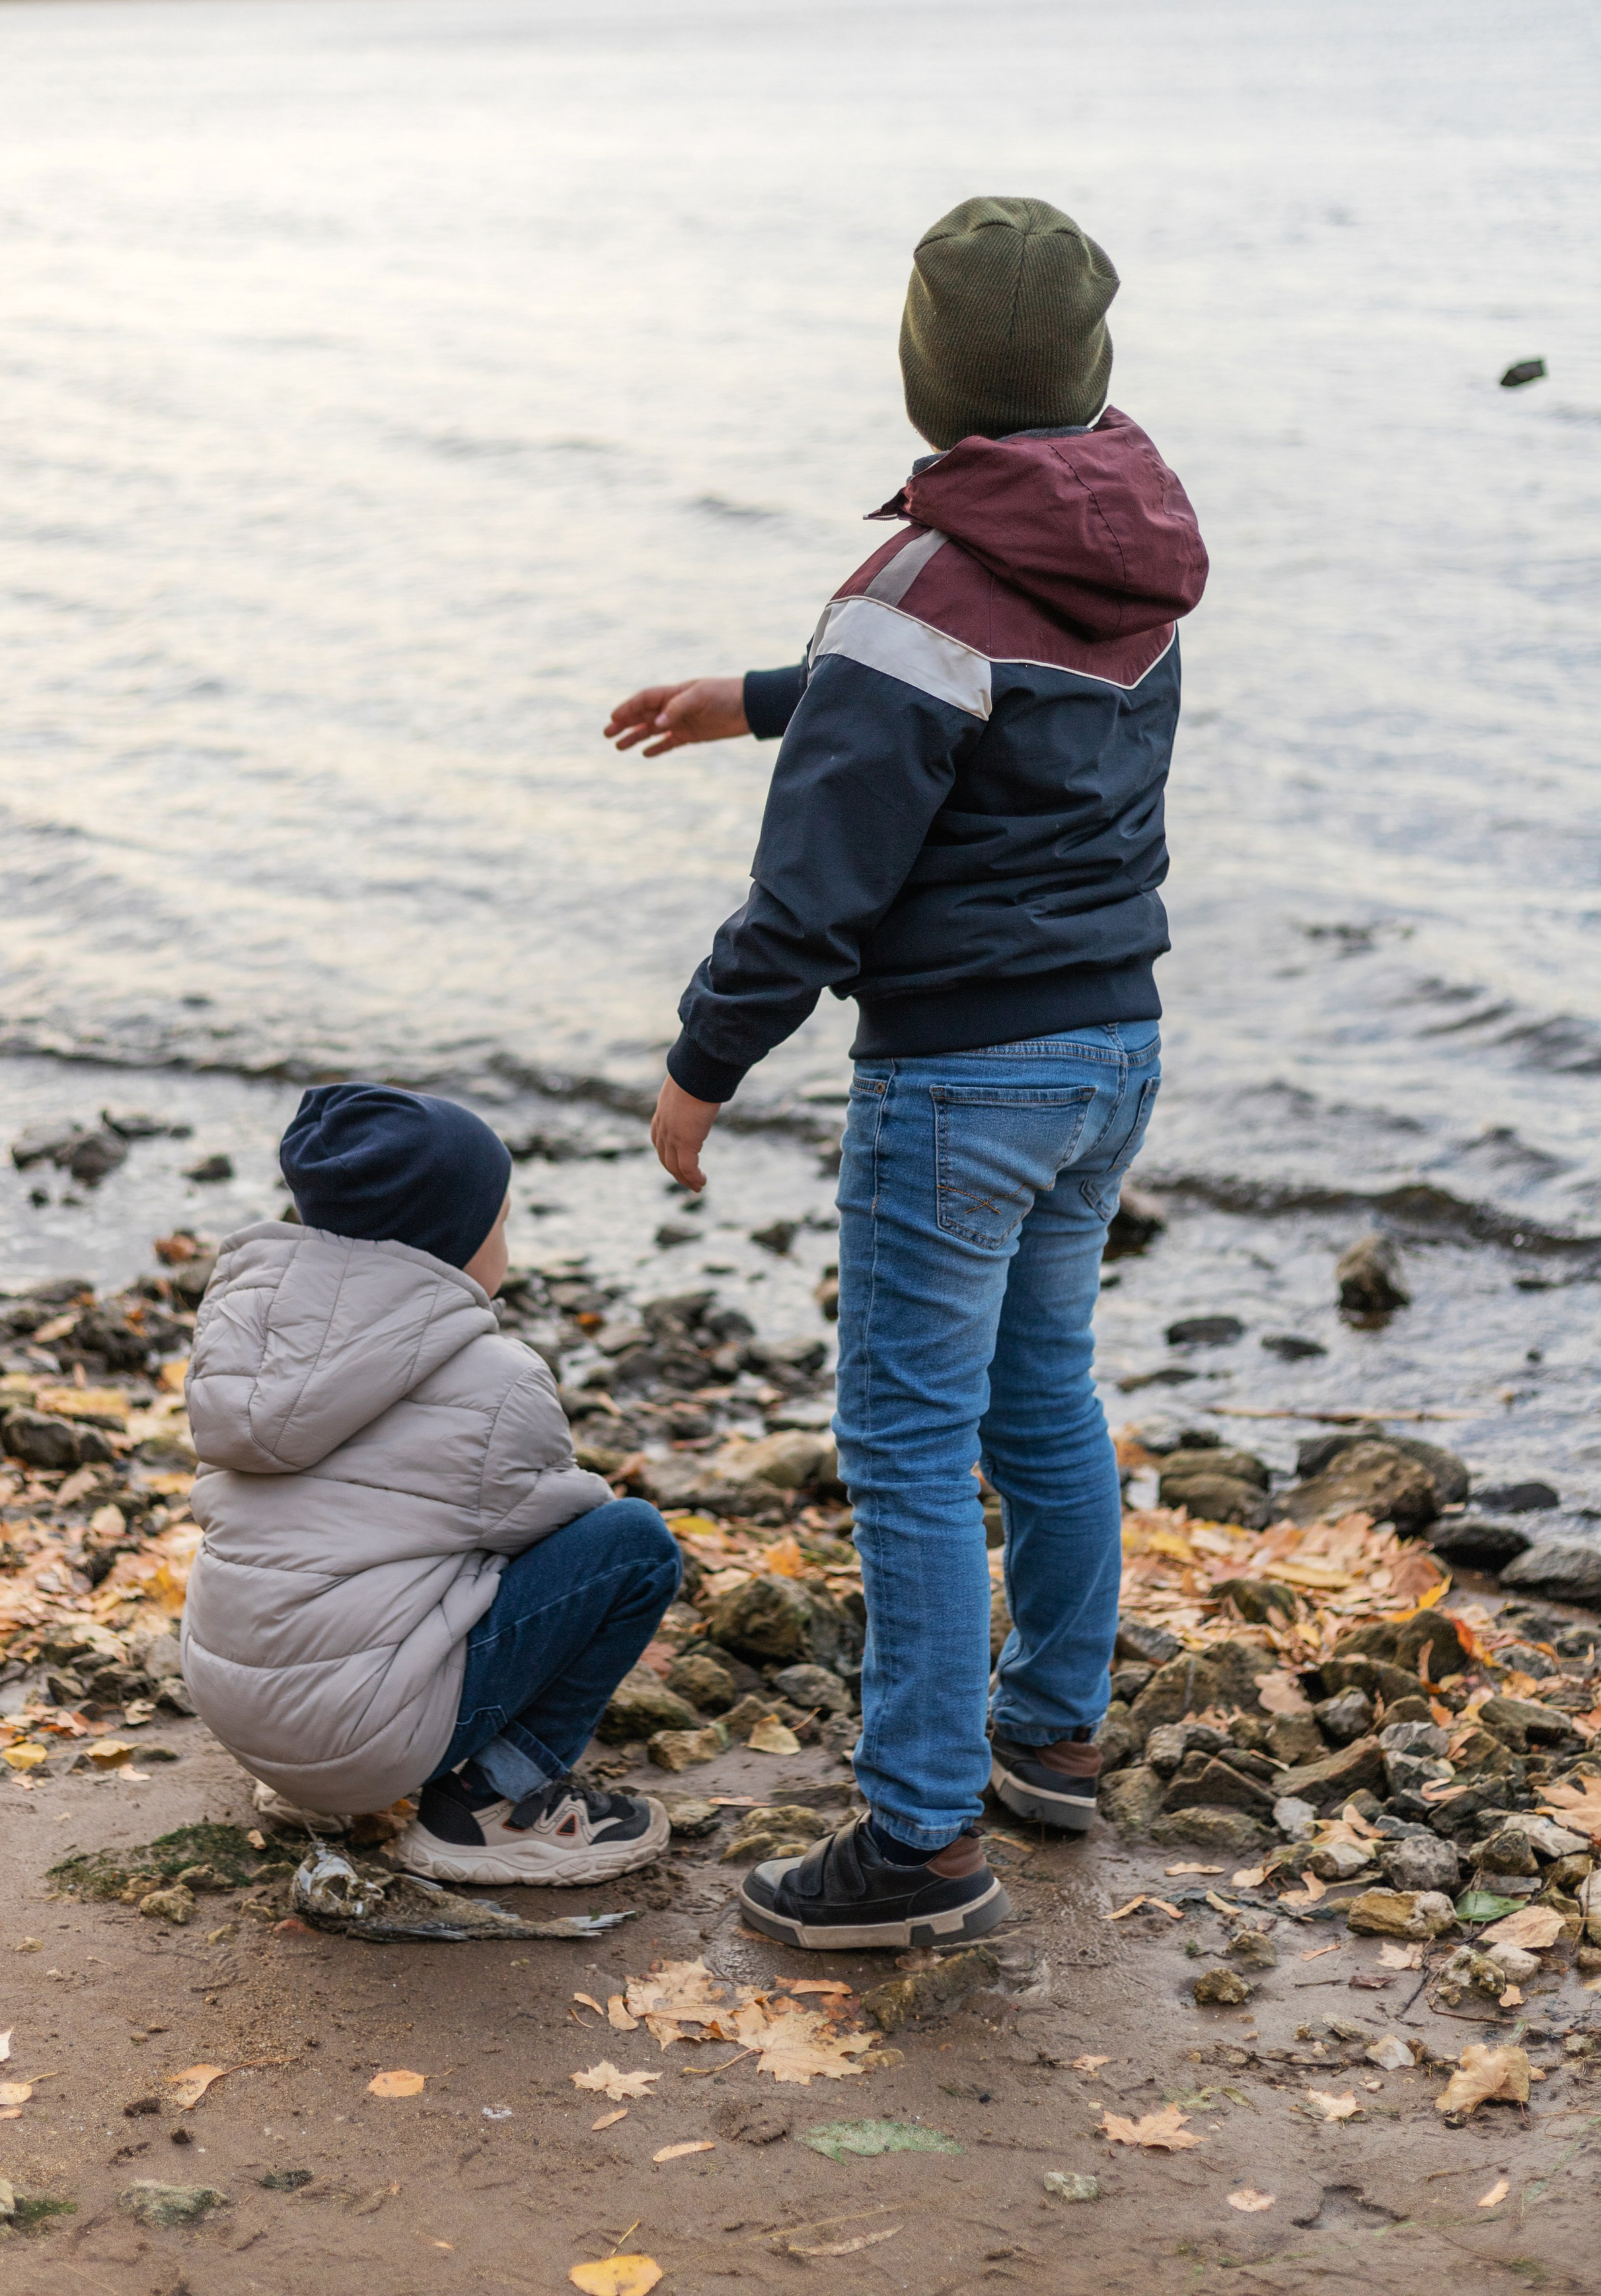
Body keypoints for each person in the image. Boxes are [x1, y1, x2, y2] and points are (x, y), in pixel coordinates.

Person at [605, 196, 1207, 1951]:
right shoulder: (1138, 548)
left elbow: (815, 885)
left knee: (908, 1440)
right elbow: (994, 694)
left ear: (922, 372)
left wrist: (701, 1067)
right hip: (1116, 1042)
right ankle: (1055, 1733)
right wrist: (766, 691)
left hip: (961, 1073)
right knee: (1044, 1391)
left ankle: (921, 1837)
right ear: (1089, 366)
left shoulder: (910, 584)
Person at [180, 1082, 679, 1886]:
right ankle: (492, 1806)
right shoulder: (496, 1376)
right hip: (362, 1737)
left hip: (239, 1707)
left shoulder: (248, 1334)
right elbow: (552, 1532)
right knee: (635, 1544)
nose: (506, 1241)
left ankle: (307, 1787)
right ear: (453, 1237)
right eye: (502, 1220)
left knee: (345, 1546)